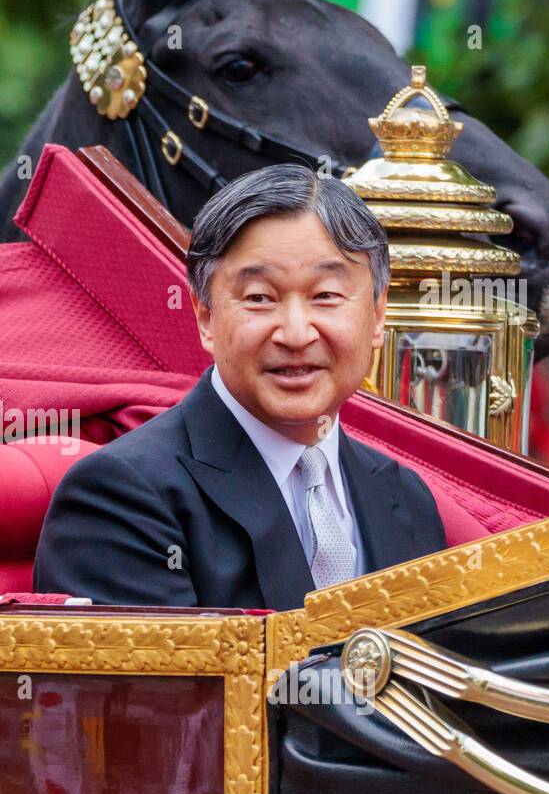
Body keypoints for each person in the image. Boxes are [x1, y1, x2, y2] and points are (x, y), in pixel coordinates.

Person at [34, 164, 446, 610]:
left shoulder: (406, 498)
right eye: (259, 298)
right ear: (206, 317)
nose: (295, 333)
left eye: (326, 295)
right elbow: (166, 681)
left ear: (378, 316)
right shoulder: (120, 498)